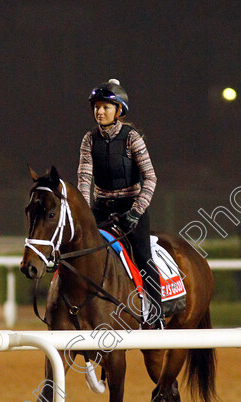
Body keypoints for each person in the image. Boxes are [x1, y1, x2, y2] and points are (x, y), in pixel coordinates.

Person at [77, 78, 163, 329]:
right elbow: (84, 178)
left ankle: (156, 317)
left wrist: (136, 212)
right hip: (101, 209)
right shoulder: (89, 139)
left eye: (105, 106)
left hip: (131, 210)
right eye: (96, 106)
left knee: (144, 258)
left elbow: (151, 177)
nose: (99, 111)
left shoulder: (132, 138)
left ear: (119, 110)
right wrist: (85, 213)